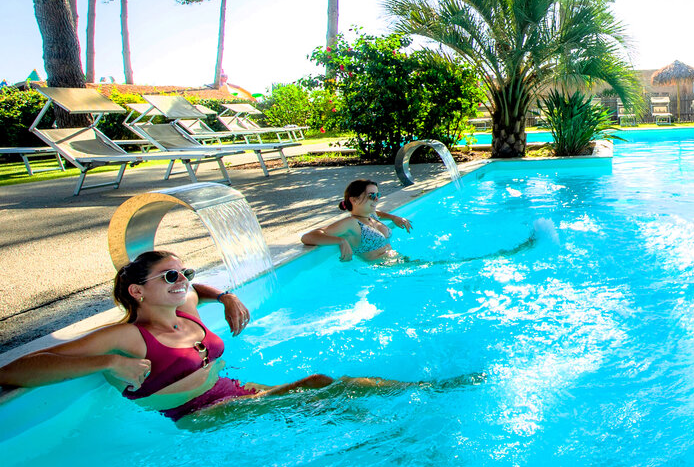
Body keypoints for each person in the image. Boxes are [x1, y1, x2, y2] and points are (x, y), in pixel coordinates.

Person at [0, 251, 434, 424]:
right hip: (200, 416)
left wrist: (223, 295)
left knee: (334, 403)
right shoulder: (127, 338)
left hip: (233, 391)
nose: (184, 280)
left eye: (184, 272)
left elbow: (196, 290)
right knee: (322, 387)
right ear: (137, 291)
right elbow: (17, 369)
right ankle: (428, 397)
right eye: (171, 275)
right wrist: (108, 363)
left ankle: (410, 413)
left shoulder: (183, 309)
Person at [301, 179, 414, 262]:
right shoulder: (351, 223)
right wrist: (341, 241)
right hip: (383, 270)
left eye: (377, 194)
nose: (376, 199)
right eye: (371, 196)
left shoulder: (371, 215)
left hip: (400, 261)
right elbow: (307, 237)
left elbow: (378, 213)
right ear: (354, 200)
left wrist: (393, 217)